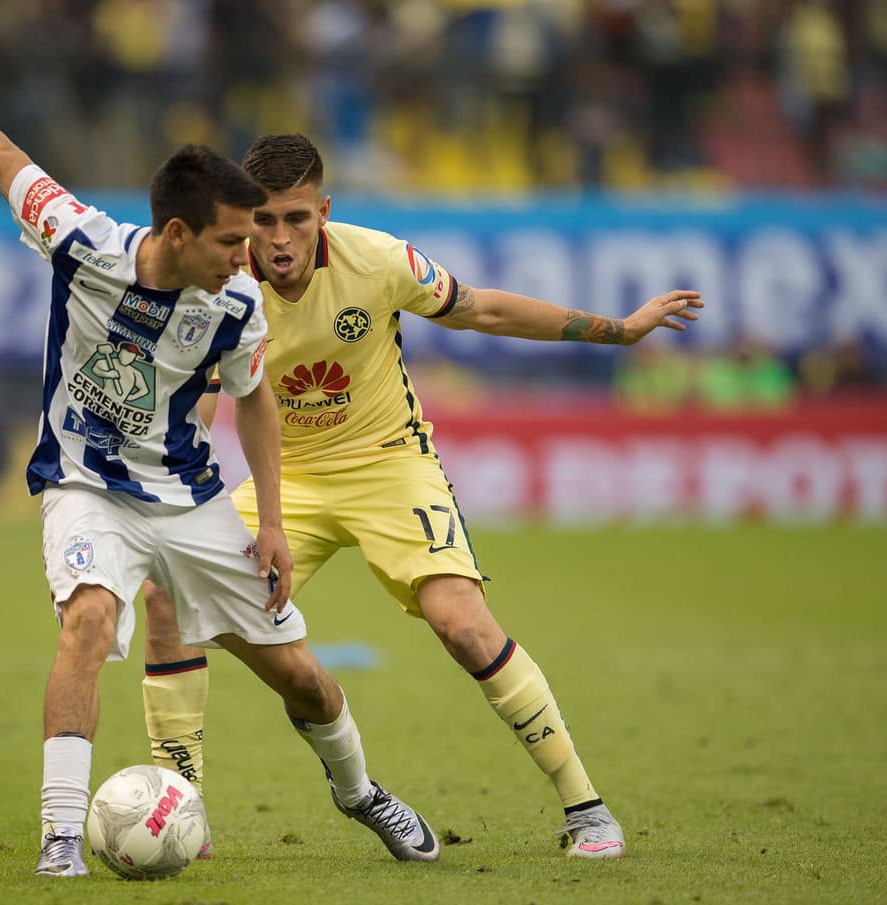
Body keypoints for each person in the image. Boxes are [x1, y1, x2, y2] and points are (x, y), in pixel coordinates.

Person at [0, 28, 440, 878]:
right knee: (89, 618)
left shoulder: (238, 307)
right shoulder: (83, 240)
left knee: (303, 679)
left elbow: (253, 400)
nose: (249, 258)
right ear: (176, 231)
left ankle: (359, 791)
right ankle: (61, 837)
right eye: (230, 242)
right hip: (85, 483)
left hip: (190, 497)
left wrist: (270, 520)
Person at [141, 132, 705, 859]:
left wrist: (618, 331)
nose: (280, 240)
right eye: (266, 222)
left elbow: (483, 310)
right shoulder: (218, 284)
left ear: (325, 212)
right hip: (289, 478)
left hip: (388, 465)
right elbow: (206, 403)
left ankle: (586, 807)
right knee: (167, 597)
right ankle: (180, 812)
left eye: (298, 219)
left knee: (464, 625)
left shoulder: (378, 260)